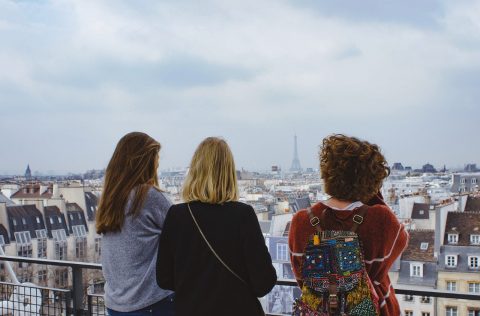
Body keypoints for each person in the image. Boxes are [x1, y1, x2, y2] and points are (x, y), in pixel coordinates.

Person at [289, 134, 409, 316]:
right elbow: (399, 244)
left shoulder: (301, 221)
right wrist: (374, 196)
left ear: (327, 173)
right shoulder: (380, 219)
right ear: (373, 179)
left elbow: (302, 279)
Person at [156, 137, 277, 316]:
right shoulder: (243, 215)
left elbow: (164, 279)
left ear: (195, 171)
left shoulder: (177, 215)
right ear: (229, 172)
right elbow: (263, 283)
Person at [96, 132, 174, 316]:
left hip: (116, 305)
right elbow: (184, 235)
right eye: (155, 159)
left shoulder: (110, 199)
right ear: (144, 162)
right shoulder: (149, 197)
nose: (157, 165)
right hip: (151, 303)